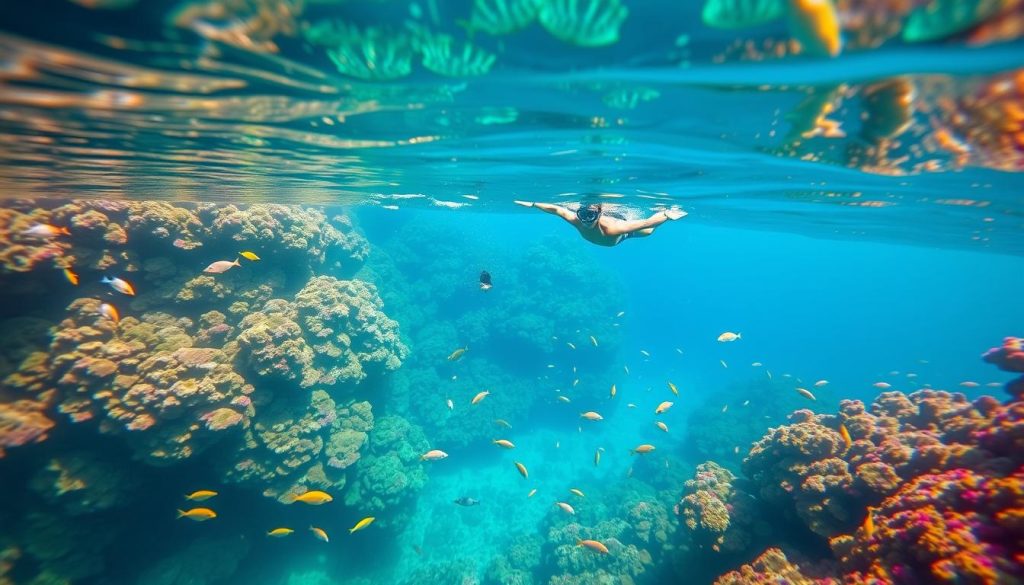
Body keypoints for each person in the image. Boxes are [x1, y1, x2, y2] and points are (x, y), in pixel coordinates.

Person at [514, 200, 686, 247]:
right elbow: (557, 210)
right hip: (610, 234)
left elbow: (646, 222)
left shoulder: (613, 229)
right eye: (583, 214)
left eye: (591, 215)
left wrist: (666, 214)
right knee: (647, 230)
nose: (586, 220)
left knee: (648, 231)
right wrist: (534, 204)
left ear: (599, 213)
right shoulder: (577, 220)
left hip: (622, 234)